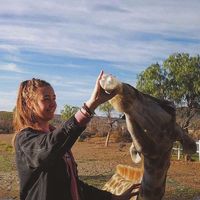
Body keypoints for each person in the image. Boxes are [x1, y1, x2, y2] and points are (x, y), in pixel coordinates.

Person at [13, 71, 140, 200]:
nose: (53, 103)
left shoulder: (57, 139)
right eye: (46, 99)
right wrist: (89, 106)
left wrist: (113, 198)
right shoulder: (25, 140)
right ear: (29, 103)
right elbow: (49, 146)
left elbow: (73, 185)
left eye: (54, 98)